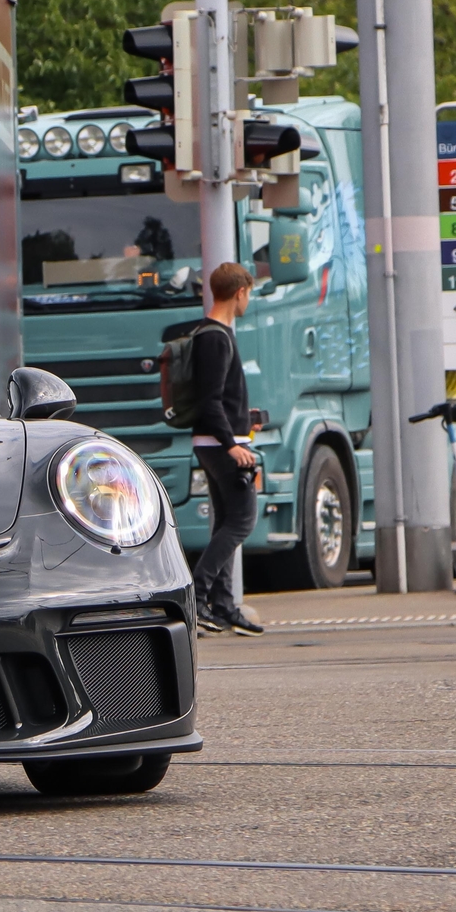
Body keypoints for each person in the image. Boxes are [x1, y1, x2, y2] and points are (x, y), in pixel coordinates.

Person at [189, 262, 263, 636]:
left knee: (225, 522)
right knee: (241, 522)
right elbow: (210, 401)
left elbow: (221, 399)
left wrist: (246, 419)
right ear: (240, 293)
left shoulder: (211, 335)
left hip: (217, 441)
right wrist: (232, 445)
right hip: (220, 446)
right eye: (249, 293)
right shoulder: (215, 337)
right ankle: (197, 599)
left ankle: (223, 605)